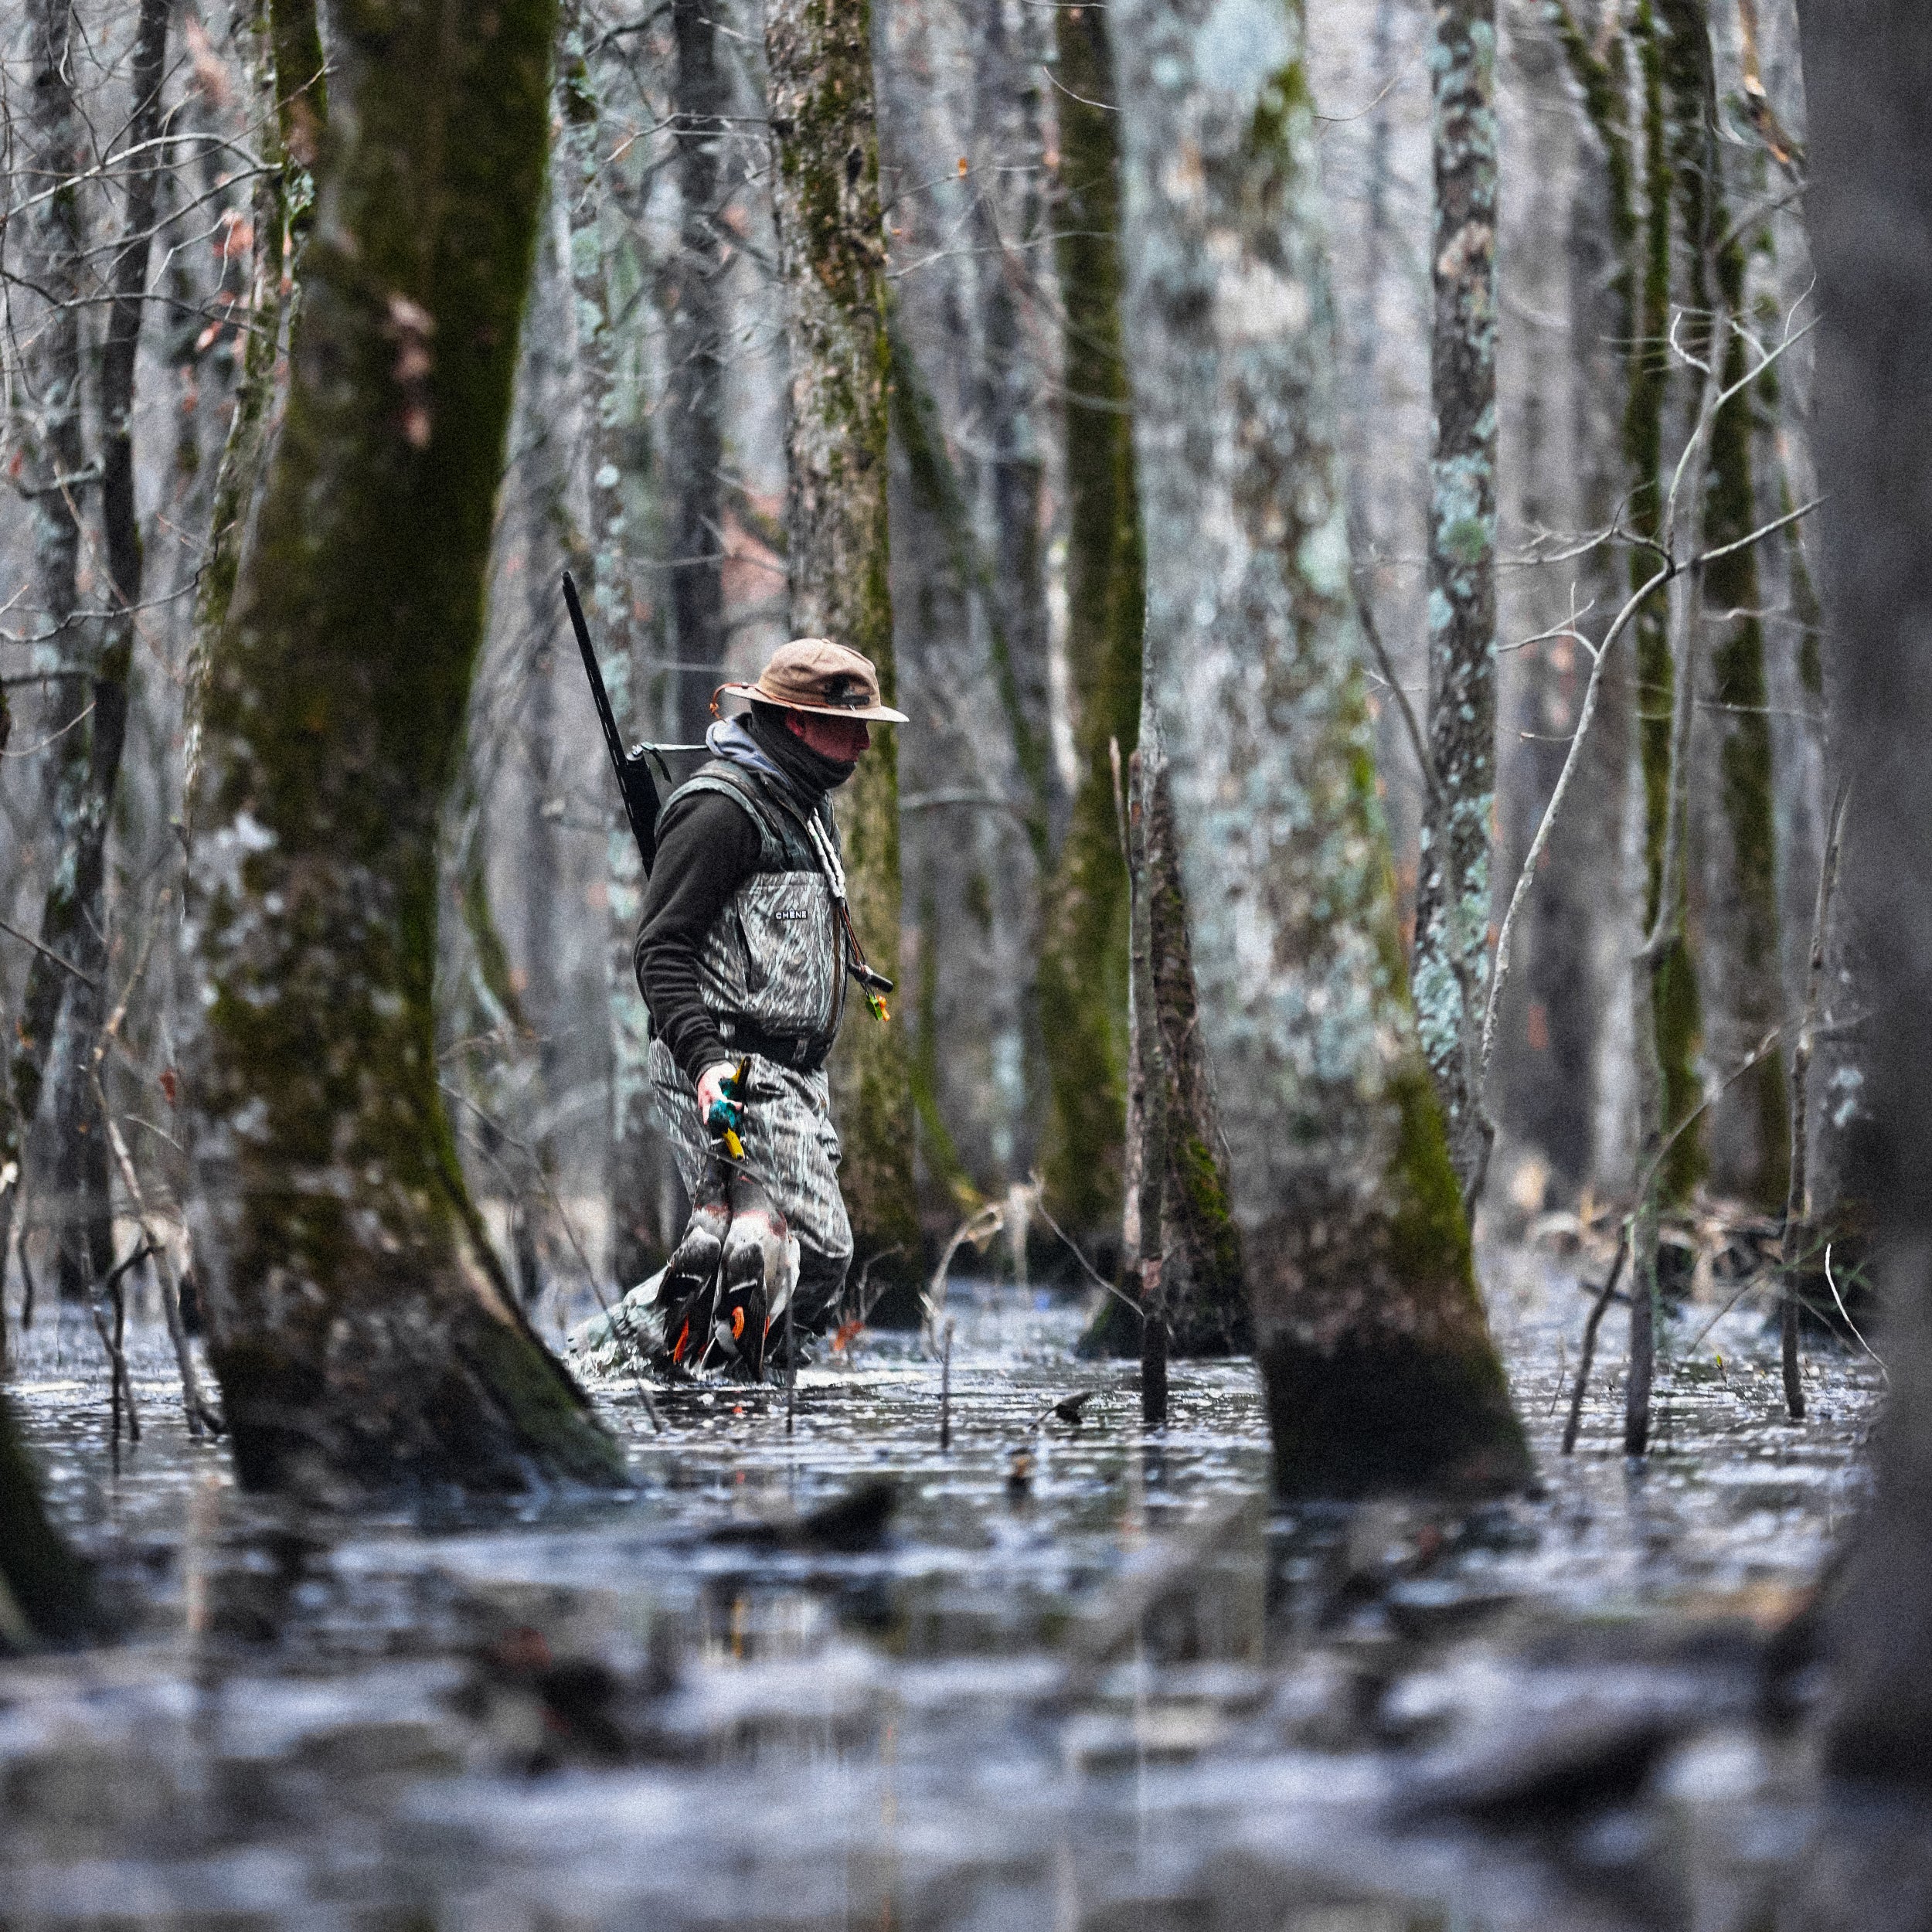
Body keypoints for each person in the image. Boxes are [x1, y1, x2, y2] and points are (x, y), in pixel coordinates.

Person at [605, 638, 905, 1379]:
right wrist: (706, 1068)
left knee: (761, 1254)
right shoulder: (719, 812)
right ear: (798, 722)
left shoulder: (805, 807)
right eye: (853, 723)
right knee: (816, 1245)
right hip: (732, 1073)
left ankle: (729, 1387)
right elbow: (661, 952)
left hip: (796, 1078)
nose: (866, 740)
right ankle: (628, 1366)